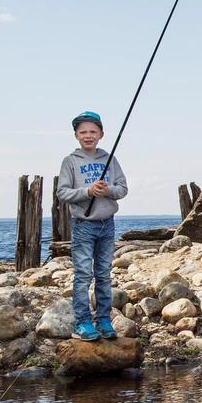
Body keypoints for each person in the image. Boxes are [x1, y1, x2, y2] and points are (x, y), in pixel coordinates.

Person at [57, 111, 128, 341]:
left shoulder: (110, 159)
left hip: (107, 224)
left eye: (93, 132)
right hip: (83, 225)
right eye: (83, 132)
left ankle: (104, 319)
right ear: (76, 135)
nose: (88, 136)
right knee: (83, 274)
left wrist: (107, 190)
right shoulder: (71, 161)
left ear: (101, 134)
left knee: (104, 274)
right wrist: (87, 191)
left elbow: (122, 189)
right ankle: (82, 322)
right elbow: (63, 192)